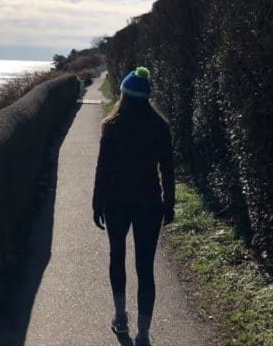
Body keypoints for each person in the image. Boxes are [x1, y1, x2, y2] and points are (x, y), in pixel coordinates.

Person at [92, 66, 175, 345]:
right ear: (147, 98)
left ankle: (120, 316)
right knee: (145, 269)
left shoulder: (112, 126)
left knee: (117, 257)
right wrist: (169, 204)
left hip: (116, 202)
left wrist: (97, 202)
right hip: (149, 203)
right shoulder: (160, 127)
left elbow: (102, 168)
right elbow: (168, 169)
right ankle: (143, 334)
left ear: (124, 96)